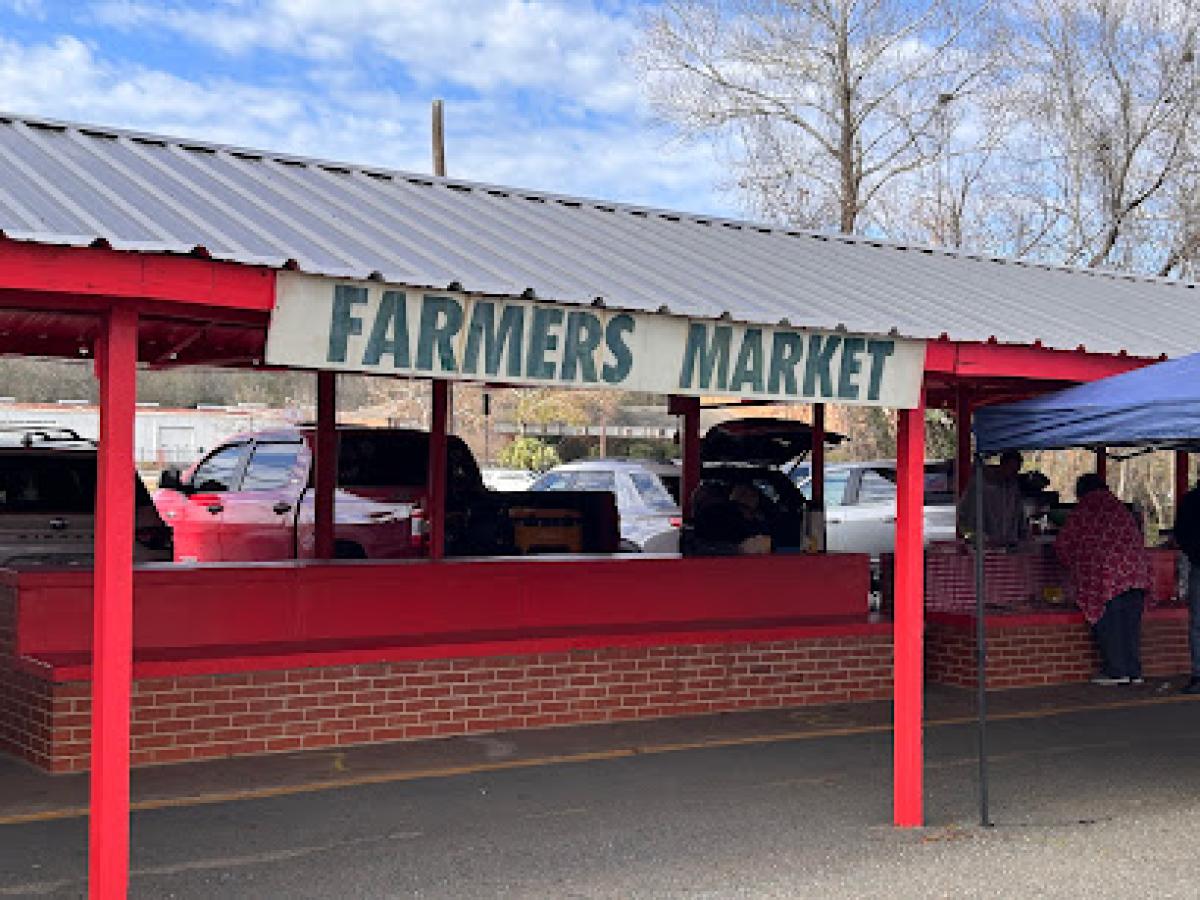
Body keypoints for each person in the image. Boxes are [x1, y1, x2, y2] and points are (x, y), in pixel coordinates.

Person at [1055, 473, 1151, 685]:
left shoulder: (1085, 508)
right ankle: (1134, 671)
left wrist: (1073, 565)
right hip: (1137, 573)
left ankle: (1116, 671)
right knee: (1130, 627)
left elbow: (1063, 544)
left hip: (1107, 576)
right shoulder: (1120, 507)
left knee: (1110, 625)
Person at [958, 449, 1027, 546]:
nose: (1014, 474)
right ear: (1003, 464)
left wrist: (1023, 534)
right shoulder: (979, 485)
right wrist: (977, 537)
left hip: (1008, 544)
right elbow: (964, 516)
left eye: (1017, 470)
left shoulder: (1013, 487)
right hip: (983, 545)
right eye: (1012, 469)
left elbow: (1019, 514)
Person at [1172, 479, 1200, 693]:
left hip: (1199, 565)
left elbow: (1180, 534)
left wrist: (1193, 553)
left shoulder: (1191, 500)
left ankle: (1199, 675)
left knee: (1198, 623)